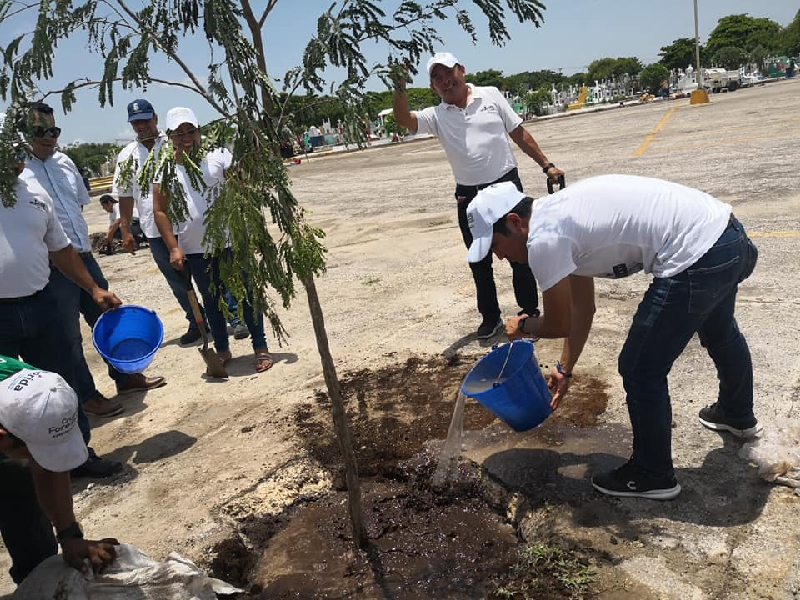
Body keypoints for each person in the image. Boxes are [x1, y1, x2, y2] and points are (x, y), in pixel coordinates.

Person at [466, 175, 759, 500]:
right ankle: (736, 414)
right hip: (728, 237)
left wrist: (522, 326)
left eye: (495, 245)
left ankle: (653, 474)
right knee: (720, 331)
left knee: (639, 367)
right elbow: (583, 308)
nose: (499, 257)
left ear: (514, 221)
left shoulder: (543, 240)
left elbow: (559, 323)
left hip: (697, 253)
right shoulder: (559, 218)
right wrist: (564, 369)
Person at [392, 52, 565, 339]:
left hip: (506, 186)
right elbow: (402, 118)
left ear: (461, 70)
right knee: (479, 260)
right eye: (437, 78)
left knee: (521, 251)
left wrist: (546, 165)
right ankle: (490, 317)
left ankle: (528, 312)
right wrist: (399, 84)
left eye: (448, 72)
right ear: (433, 86)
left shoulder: (491, 95)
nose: (445, 81)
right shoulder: (436, 115)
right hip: (469, 195)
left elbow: (518, 133)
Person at [20, 102, 165, 422]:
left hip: (84, 255)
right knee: (68, 335)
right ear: (24, 132)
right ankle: (87, 395)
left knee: (108, 315)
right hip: (52, 266)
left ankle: (125, 377)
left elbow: (78, 206)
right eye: (39, 130)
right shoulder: (19, 172)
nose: (49, 137)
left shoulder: (64, 163)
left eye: (54, 130)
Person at [0, 121, 125, 479]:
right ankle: (17, 477)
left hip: (42, 305)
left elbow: (61, 249)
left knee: (61, 384)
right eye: (9, 152)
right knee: (5, 398)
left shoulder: (34, 192)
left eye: (19, 151)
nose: (18, 159)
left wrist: (94, 289)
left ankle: (78, 456)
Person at [113, 99, 248, 343]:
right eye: (136, 122)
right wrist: (125, 230)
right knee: (178, 280)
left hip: (190, 226)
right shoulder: (126, 156)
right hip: (155, 229)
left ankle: (235, 317)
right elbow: (124, 194)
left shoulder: (176, 140)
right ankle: (197, 321)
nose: (141, 126)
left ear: (155, 118)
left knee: (215, 273)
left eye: (145, 120)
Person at [152, 107, 271, 373]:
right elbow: (159, 211)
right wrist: (173, 248)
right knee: (212, 299)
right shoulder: (165, 169)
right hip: (195, 249)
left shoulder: (219, 156)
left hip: (232, 241)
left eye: (190, 131)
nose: (186, 138)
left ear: (199, 131)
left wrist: (251, 230)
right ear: (170, 136)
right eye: (179, 133)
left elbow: (241, 191)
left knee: (247, 293)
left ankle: (260, 347)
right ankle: (222, 350)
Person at [0, 356, 119, 585]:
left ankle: (36, 578)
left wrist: (69, 535)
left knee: (20, 492)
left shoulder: (40, 390)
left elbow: (50, 468)